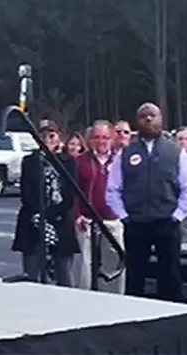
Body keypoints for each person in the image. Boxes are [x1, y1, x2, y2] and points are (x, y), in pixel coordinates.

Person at [106, 102, 187, 301]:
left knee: (170, 278)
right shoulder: (125, 153)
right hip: (136, 224)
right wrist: (124, 216)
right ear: (137, 121)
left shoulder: (176, 152)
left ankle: (172, 316)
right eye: (143, 116)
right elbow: (113, 189)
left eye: (153, 115)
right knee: (135, 278)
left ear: (161, 119)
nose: (148, 119)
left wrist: (177, 216)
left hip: (167, 223)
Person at [12, 119, 79, 285]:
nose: (47, 139)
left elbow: (70, 195)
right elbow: (26, 193)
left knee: (64, 273)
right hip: (34, 220)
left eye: (51, 135)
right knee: (32, 273)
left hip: (59, 220)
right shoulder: (30, 161)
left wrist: (53, 213)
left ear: (59, 137)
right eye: (43, 135)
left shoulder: (67, 162)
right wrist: (40, 214)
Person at [72, 119, 125, 293]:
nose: (101, 141)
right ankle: (82, 297)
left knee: (115, 261)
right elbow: (73, 191)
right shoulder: (80, 161)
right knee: (82, 264)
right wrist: (77, 215)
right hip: (86, 220)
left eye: (105, 137)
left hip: (112, 220)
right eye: (97, 137)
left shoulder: (120, 161)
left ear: (112, 139)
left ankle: (114, 299)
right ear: (90, 139)